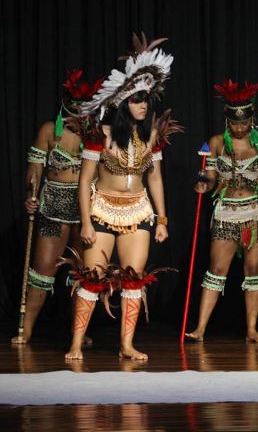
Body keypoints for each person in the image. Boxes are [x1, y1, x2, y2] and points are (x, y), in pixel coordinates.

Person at [64, 33, 180, 361]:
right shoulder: (100, 135)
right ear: (121, 102)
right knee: (93, 277)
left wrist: (162, 219)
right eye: (137, 99)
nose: (144, 105)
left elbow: (154, 178)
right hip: (102, 209)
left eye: (146, 99)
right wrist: (86, 223)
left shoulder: (152, 136)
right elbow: (84, 181)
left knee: (133, 279)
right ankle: (76, 343)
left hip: (138, 211)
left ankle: (126, 345)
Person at [185, 80, 258, 344]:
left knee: (254, 269)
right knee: (216, 269)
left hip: (257, 213)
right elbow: (210, 176)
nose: (239, 128)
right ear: (227, 120)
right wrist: (203, 183)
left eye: (244, 123)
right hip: (226, 212)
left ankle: (251, 329)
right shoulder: (216, 143)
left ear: (252, 119)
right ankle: (200, 328)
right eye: (234, 123)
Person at [13, 70, 101, 345]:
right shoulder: (50, 130)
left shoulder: (97, 133)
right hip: (54, 205)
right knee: (42, 271)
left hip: (86, 209)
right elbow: (35, 170)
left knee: (82, 273)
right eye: (74, 108)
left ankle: (79, 332)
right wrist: (31, 195)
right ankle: (26, 329)